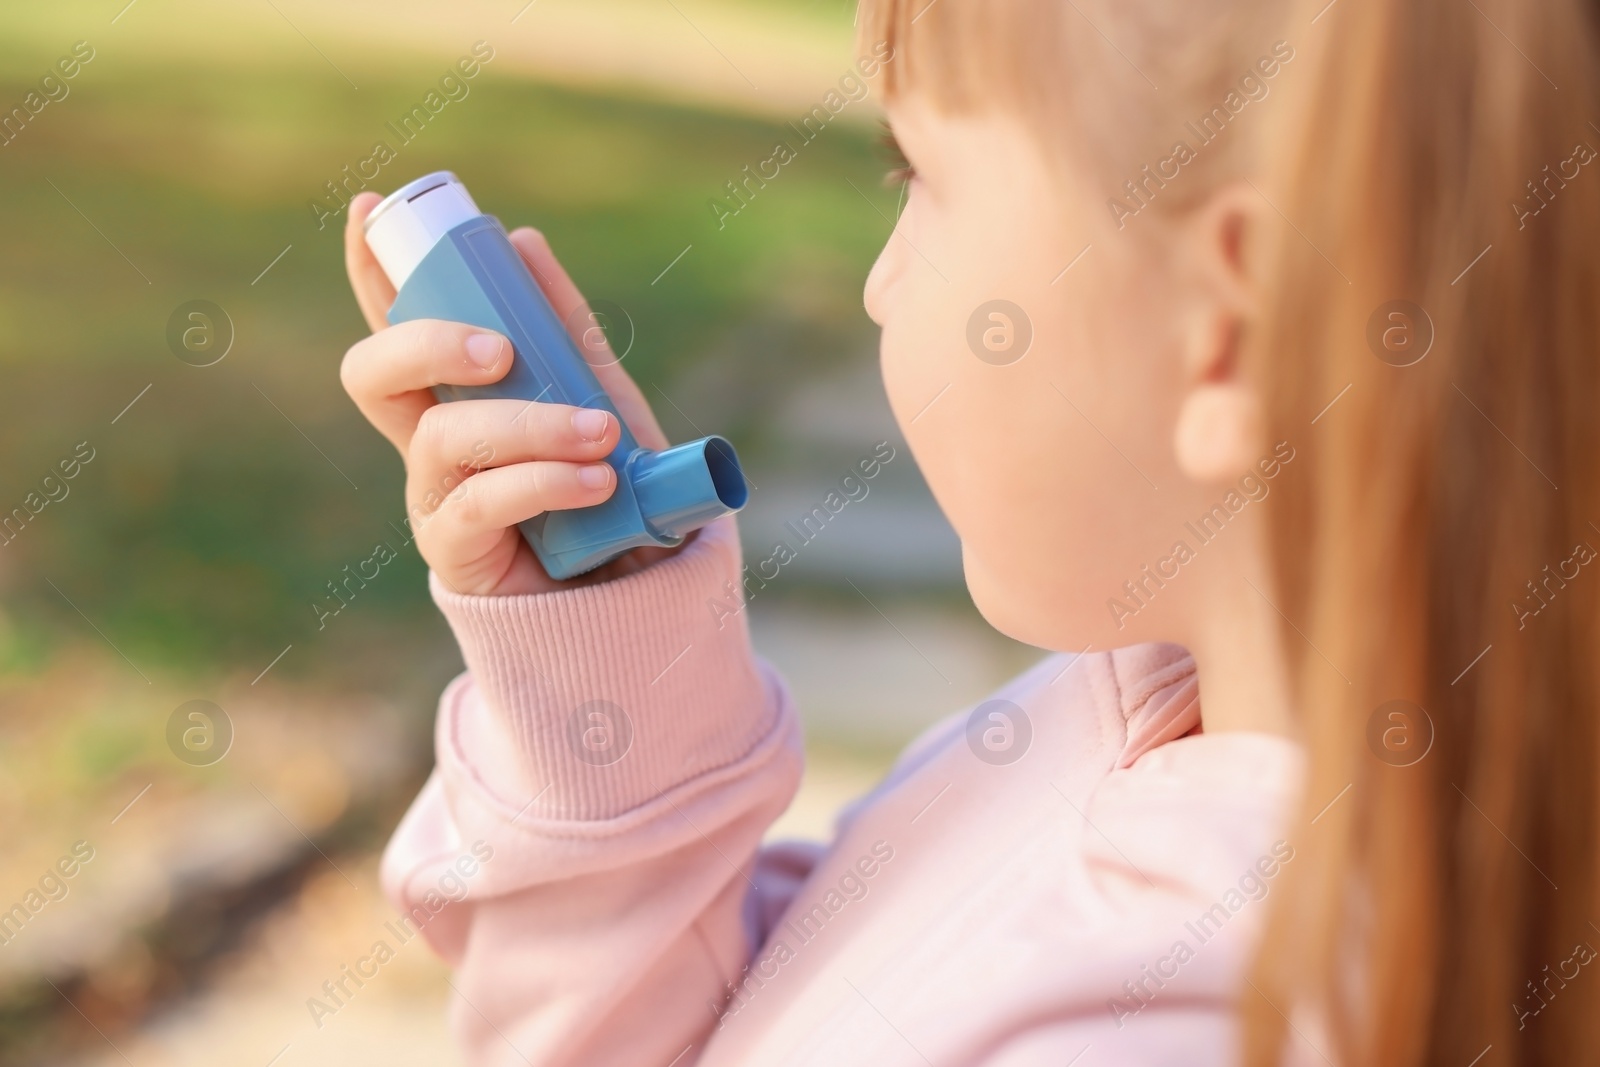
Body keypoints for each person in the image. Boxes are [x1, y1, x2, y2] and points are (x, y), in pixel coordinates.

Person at [338, 0, 1600, 1062]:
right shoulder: (1105, 716)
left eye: (917, 176)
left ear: (1236, 333)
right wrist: (608, 637)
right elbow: (753, 1015)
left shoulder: (1157, 1026)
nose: (880, 281)